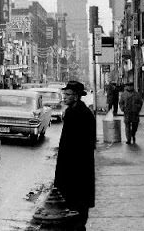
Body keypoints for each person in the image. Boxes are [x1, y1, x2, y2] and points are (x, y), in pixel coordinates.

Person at [54, 81, 95, 231]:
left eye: (68, 94)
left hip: (77, 166)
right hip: (75, 164)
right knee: (77, 201)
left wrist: (67, 166)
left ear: (76, 97)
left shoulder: (79, 113)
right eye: (64, 94)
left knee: (76, 201)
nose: (64, 97)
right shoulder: (75, 111)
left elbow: (80, 144)